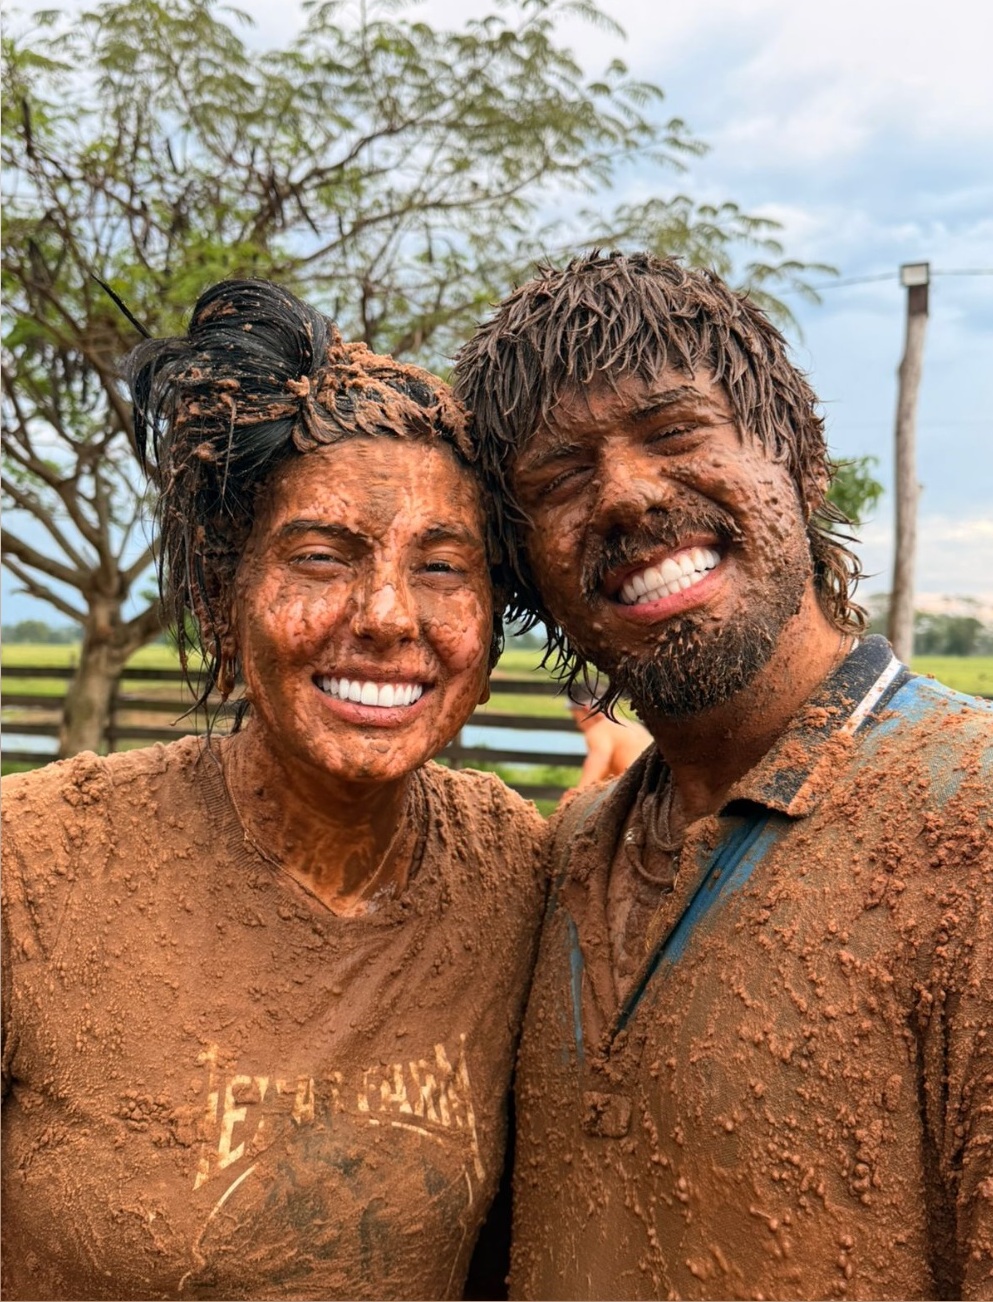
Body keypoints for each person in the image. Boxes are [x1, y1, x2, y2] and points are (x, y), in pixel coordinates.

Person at [452, 252, 993, 1300]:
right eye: (560, 478)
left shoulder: (967, 816)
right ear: (526, 577)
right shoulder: (568, 856)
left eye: (675, 431)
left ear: (802, 463)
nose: (626, 493)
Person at [1, 279, 547, 1301]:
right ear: (221, 594)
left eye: (441, 568)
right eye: (320, 557)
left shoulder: (512, 868)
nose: (388, 616)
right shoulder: (36, 867)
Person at [567, 682, 652, 793]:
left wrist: (577, 794)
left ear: (587, 709)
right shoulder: (632, 726)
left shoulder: (599, 731)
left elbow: (599, 761)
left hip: (637, 791)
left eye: (576, 718)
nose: (578, 725)